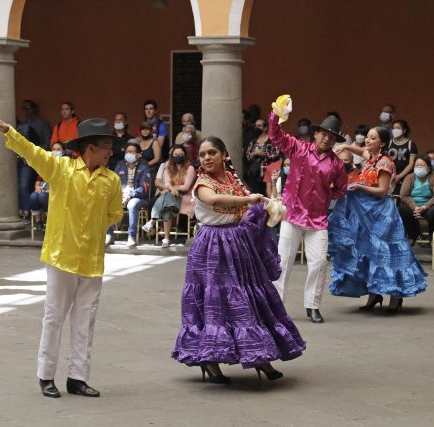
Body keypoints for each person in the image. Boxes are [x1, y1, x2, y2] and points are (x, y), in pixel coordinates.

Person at [0, 117, 122, 398]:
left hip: (92, 260)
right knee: (54, 317)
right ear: (89, 148)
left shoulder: (111, 181)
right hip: (62, 256)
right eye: (106, 146)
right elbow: (32, 152)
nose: (111, 152)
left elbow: (114, 215)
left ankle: (77, 378)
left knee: (86, 319)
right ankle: (46, 375)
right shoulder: (61, 169)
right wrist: (9, 132)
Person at [171, 136, 305, 383]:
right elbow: (213, 201)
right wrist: (248, 200)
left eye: (212, 152)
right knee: (214, 300)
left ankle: (259, 355)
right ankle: (210, 360)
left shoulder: (233, 179)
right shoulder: (202, 183)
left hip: (239, 244)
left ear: (224, 155)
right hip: (212, 246)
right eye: (202, 155)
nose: (207, 158)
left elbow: (248, 207)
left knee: (248, 297)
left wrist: (266, 206)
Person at [329, 128, 427, 313]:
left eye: (372, 138)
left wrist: (360, 187)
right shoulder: (371, 158)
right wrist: (346, 146)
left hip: (382, 213)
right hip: (367, 212)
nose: (367, 140)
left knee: (386, 253)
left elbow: (383, 190)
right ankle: (374, 295)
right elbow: (361, 151)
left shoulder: (385, 163)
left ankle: (395, 297)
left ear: (382, 143)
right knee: (369, 252)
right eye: (367, 137)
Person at [269, 103, 348, 324]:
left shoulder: (337, 165)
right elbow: (276, 136)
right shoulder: (298, 148)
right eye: (324, 134)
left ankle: (312, 306)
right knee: (283, 261)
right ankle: (277, 307)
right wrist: (275, 116)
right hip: (292, 215)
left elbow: (341, 188)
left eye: (332, 137)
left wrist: (325, 197)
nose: (327, 139)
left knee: (319, 262)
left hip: (318, 219)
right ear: (316, 133)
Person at [142, 145, 196, 247]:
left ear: (185, 155)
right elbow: (166, 184)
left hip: (185, 198)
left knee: (166, 196)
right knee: (166, 203)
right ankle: (166, 239)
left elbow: (185, 187)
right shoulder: (168, 168)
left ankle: (152, 221)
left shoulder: (190, 168)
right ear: (172, 156)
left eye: (180, 154)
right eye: (175, 154)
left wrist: (173, 189)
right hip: (171, 196)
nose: (178, 156)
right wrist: (172, 189)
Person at [107, 141, 151, 248]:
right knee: (107, 201)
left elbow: (144, 188)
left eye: (133, 151)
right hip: (121, 195)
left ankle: (131, 236)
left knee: (132, 204)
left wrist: (131, 194)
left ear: (138, 154)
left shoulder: (144, 166)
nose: (130, 153)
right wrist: (120, 195)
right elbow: (114, 183)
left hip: (138, 197)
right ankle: (109, 234)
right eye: (128, 151)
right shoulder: (120, 165)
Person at [398, 155, 434, 244]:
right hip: (413, 205)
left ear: (429, 168)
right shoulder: (409, 177)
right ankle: (414, 235)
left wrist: (424, 207)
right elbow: (404, 195)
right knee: (403, 209)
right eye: (417, 165)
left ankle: (432, 235)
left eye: (422, 165)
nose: (419, 167)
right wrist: (415, 207)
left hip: (428, 206)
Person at [29, 142, 65, 231]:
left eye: (58, 150)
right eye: (54, 149)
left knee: (42, 197)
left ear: (63, 152)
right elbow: (38, 179)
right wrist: (37, 186)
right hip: (44, 187)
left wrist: (51, 190)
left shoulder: (66, 164)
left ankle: (47, 219)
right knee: (33, 196)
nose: (55, 151)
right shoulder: (47, 162)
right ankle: (38, 221)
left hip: (56, 192)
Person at [245, 118, 279, 195]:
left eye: (259, 126)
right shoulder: (253, 141)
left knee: (268, 196)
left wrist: (264, 154)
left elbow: (276, 154)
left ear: (265, 128)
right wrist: (255, 153)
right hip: (255, 174)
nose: (257, 128)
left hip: (268, 173)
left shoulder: (271, 140)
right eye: (256, 126)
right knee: (256, 195)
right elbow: (247, 156)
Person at [387, 119, 418, 195]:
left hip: (404, 178)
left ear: (404, 130)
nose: (395, 130)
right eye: (393, 128)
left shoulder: (410, 144)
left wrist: (399, 176)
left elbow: (411, 164)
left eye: (398, 128)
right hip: (389, 177)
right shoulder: (389, 143)